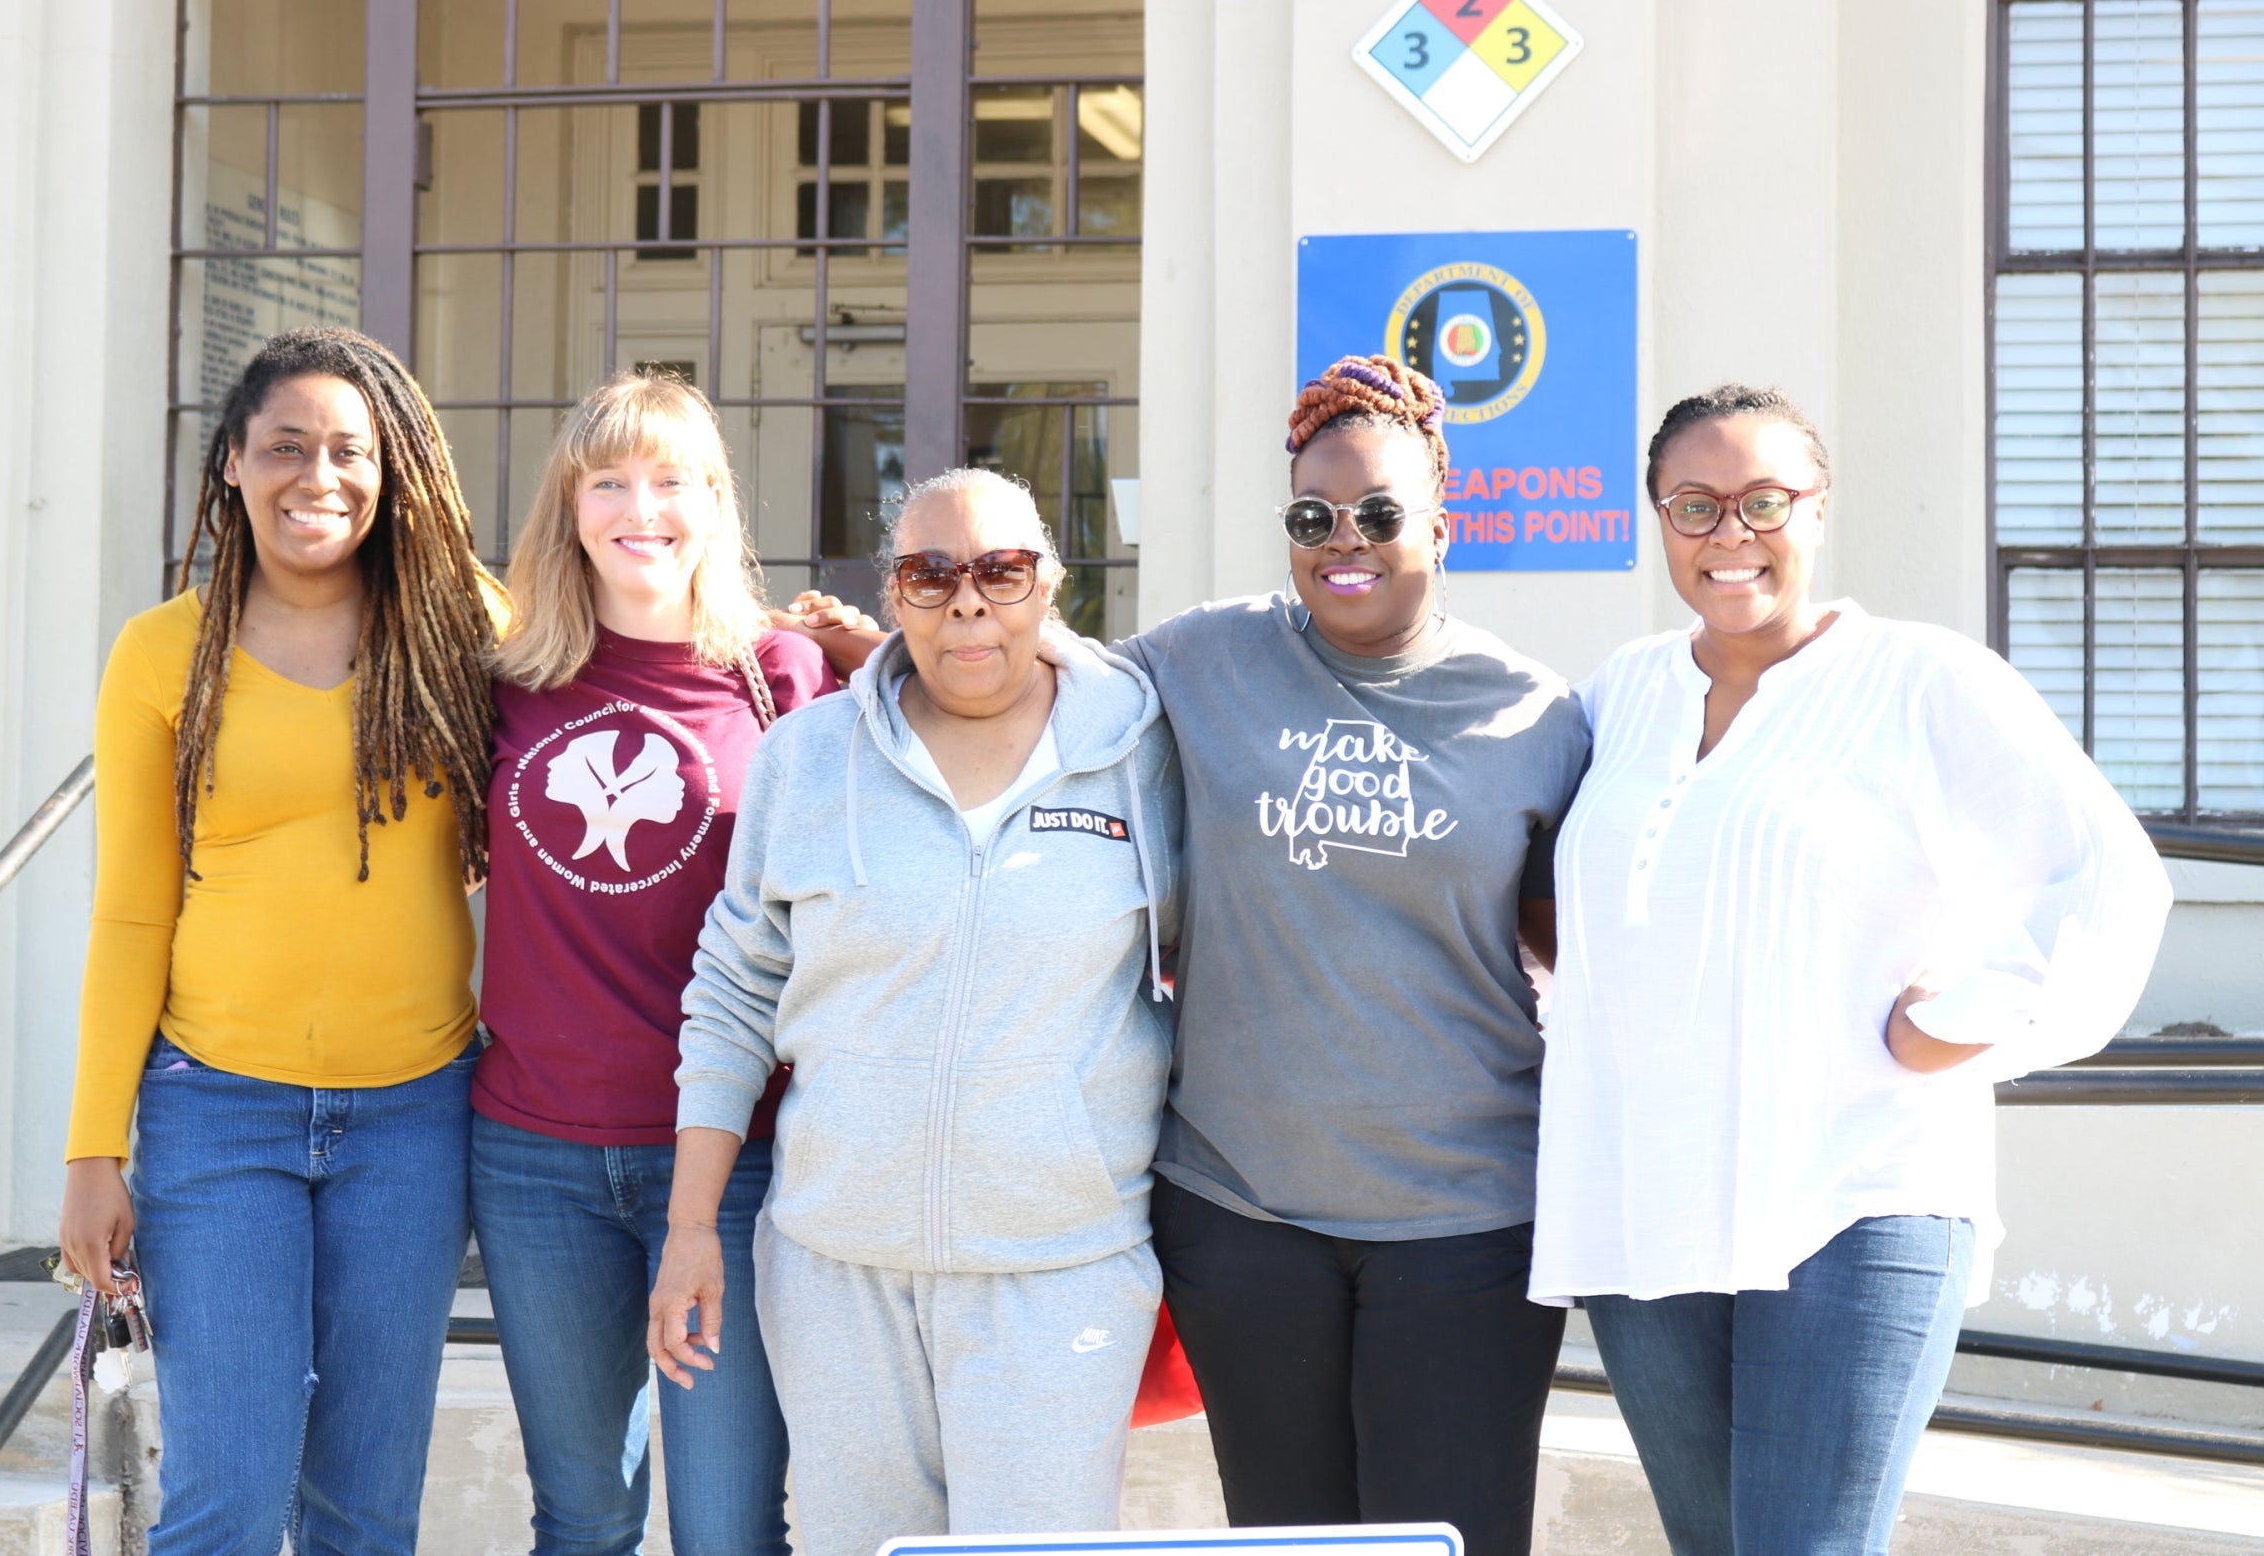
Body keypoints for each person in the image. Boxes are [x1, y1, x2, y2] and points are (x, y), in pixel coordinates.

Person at [1532, 383, 2174, 1556]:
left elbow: (2107, 872)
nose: (1730, 533)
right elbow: (1551, 882)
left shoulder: (1920, 677)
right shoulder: (1621, 690)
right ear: (1658, 519)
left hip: (1853, 1193)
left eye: (1763, 499)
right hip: (1649, 1200)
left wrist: (1975, 1017)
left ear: (1815, 510)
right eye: (1695, 503)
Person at [1103, 354, 1590, 1556]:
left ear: (1442, 519)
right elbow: (1018, 696)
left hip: (1467, 1220)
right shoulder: (1197, 660)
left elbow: (1578, 942)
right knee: (1288, 1546)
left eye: (1378, 514)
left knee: (1451, 1543)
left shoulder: (1535, 712)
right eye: (1312, 518)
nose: (1343, 542)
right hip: (1241, 1210)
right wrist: (867, 653)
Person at [648, 467, 1182, 1556]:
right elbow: (735, 993)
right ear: (893, 596)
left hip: (1058, 1273)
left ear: (1051, 587)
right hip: (838, 1272)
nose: (968, 603)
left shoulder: (1146, 755)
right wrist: (692, 1225)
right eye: (931, 574)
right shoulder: (806, 758)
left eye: (1002, 570)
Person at [57, 326, 502, 1555]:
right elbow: (132, 907)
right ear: (235, 466)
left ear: (395, 467)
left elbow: (627, 676)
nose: (321, 475)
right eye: (288, 447)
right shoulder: (162, 652)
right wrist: (95, 1144)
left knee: (366, 1507)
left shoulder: (467, 629)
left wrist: (812, 651)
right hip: (219, 1113)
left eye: (352, 450)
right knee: (229, 1501)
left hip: (415, 1116)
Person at [469, 372, 854, 1556]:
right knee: (582, 1521)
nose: (643, 507)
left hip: (731, 1157)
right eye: (610, 480)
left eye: (671, 479)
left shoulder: (784, 675)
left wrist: (884, 643)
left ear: (714, 501)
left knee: (732, 1530)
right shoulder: (505, 680)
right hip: (535, 1154)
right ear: (569, 506)